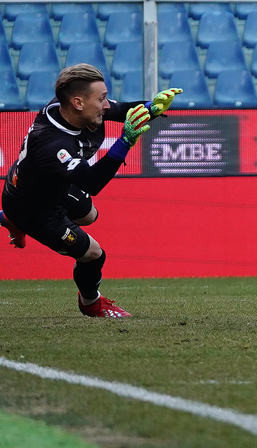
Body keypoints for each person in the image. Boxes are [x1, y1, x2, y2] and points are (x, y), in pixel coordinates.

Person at [0, 66, 170, 318]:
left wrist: (151, 107)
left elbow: (123, 110)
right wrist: (125, 142)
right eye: (101, 99)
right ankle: (91, 302)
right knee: (94, 254)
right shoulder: (52, 144)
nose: (106, 106)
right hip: (34, 208)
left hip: (52, 186)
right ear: (78, 102)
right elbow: (91, 182)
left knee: (89, 215)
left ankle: (8, 217)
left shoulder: (77, 111)